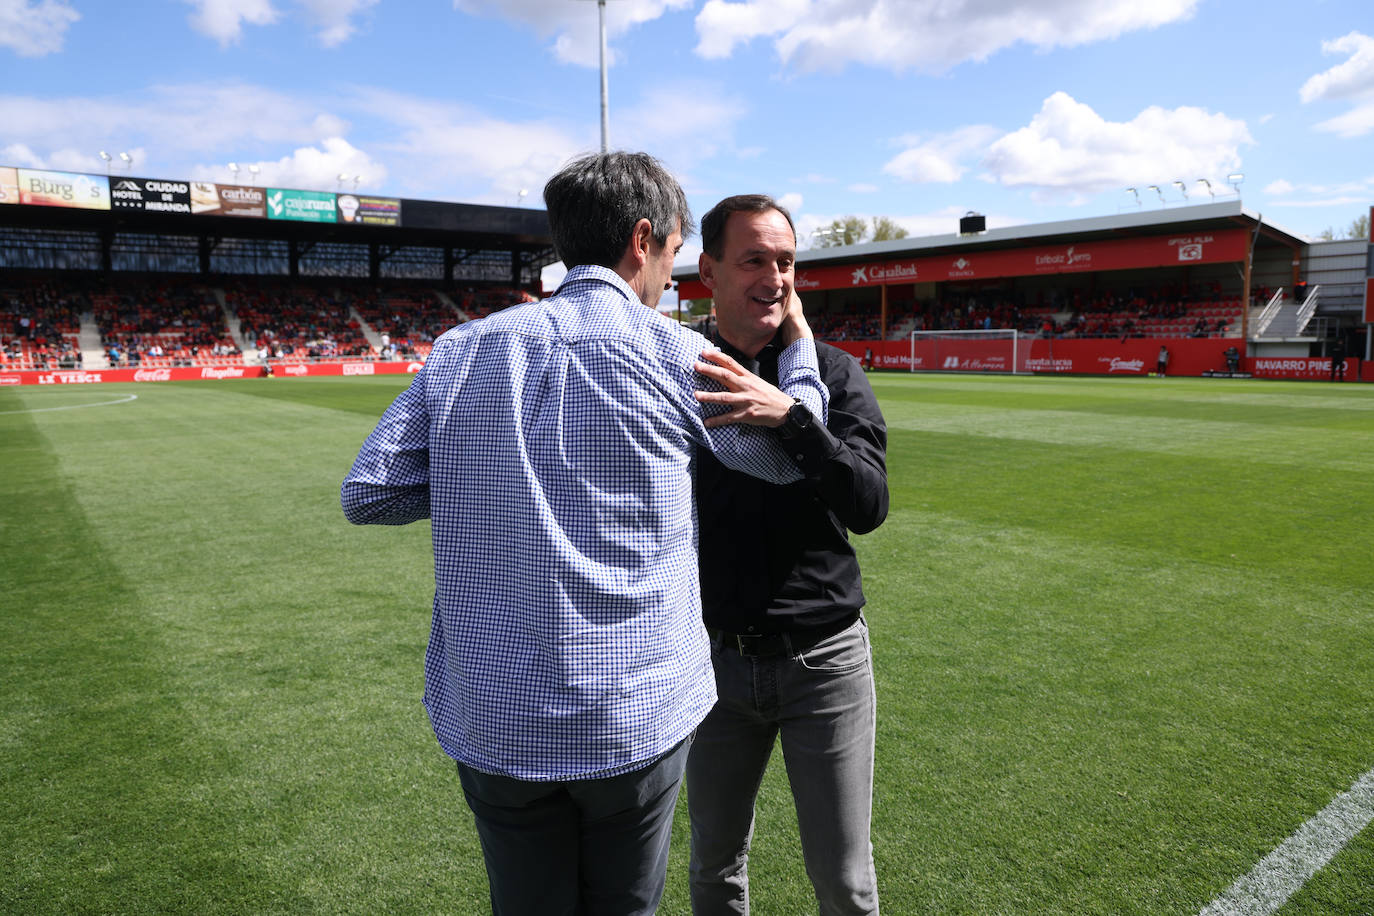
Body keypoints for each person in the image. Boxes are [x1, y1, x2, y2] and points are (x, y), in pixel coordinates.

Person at [340, 153, 829, 916]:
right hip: (633, 717)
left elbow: (371, 494)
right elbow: (788, 458)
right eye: (672, 254)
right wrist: (799, 354)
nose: (671, 278)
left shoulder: (461, 350)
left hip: (498, 715)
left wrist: (492, 474)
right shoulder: (677, 354)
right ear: (644, 240)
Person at [686, 194, 889, 916]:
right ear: (707, 269)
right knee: (714, 867)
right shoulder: (676, 373)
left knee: (844, 882)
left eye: (786, 261)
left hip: (824, 663)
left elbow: (868, 504)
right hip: (711, 663)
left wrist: (794, 420)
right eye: (754, 260)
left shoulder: (831, 373)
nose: (774, 276)